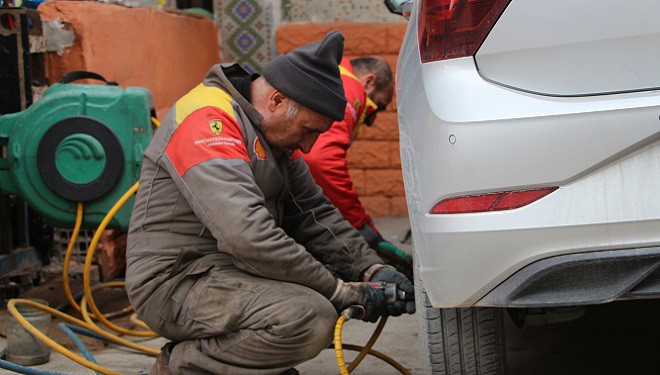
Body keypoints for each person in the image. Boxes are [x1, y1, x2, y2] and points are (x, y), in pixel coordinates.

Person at [125, 30, 414, 375]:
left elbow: (314, 215)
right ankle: (183, 366)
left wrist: (370, 268)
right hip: (174, 282)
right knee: (310, 315)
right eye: (308, 130)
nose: (308, 147)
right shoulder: (208, 120)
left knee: (323, 287)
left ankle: (246, 362)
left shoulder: (273, 135)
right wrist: (341, 290)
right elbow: (248, 236)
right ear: (277, 101)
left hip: (225, 269)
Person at [293, 56, 413, 280]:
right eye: (376, 107)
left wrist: (365, 226)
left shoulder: (332, 78)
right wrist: (359, 225)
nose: (371, 120)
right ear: (368, 82)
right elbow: (322, 161)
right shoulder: (349, 87)